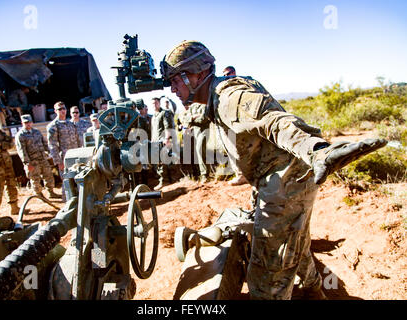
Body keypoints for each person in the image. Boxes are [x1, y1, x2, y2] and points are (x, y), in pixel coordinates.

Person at [160, 40, 387, 300]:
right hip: (285, 181)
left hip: (285, 184)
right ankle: (314, 292)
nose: (173, 89)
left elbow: (274, 122)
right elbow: (204, 115)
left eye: (175, 80)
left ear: (196, 74)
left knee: (266, 279)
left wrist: (317, 151)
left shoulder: (229, 97)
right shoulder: (216, 96)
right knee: (296, 244)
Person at [15, 114, 59, 199]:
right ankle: (39, 195)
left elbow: (44, 143)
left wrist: (50, 153)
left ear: (32, 122)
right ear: (22, 123)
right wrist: (27, 163)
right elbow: (21, 151)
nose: (28, 124)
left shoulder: (37, 132)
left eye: (29, 122)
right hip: (32, 161)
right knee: (35, 179)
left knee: (48, 175)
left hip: (42, 158)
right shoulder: (20, 135)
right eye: (26, 122)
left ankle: (51, 192)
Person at [46, 102, 81, 201]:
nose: (62, 111)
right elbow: (52, 145)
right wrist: (58, 162)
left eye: (64, 108)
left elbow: (78, 140)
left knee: (77, 179)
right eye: (59, 109)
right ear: (55, 111)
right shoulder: (53, 126)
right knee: (67, 181)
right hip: (64, 159)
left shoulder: (70, 124)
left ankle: (78, 202)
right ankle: (68, 203)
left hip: (75, 157)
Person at [221, 66, 248, 186]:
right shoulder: (223, 88)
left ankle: (249, 174)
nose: (226, 77)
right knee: (231, 148)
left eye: (228, 74)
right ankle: (240, 174)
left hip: (243, 121)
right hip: (229, 122)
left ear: (234, 72)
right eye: (224, 75)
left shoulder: (242, 83)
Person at [178, 102, 211, 183]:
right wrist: (192, 118)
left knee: (200, 150)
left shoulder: (203, 104)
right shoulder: (191, 108)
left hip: (204, 131)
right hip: (195, 133)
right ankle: (200, 174)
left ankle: (205, 175)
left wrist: (191, 119)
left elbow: (203, 118)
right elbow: (185, 120)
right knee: (196, 153)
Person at [151, 96, 176, 190]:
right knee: (159, 161)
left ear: (159, 103)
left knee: (165, 160)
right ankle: (165, 180)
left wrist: (167, 139)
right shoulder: (154, 116)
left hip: (163, 141)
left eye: (156, 103)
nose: (154, 105)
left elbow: (167, 127)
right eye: (153, 103)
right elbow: (154, 131)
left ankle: (167, 181)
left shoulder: (164, 113)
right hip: (155, 142)